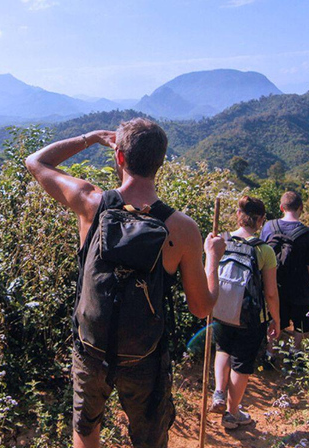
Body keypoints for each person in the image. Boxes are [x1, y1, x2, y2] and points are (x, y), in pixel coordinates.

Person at [25, 118, 225, 448]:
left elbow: (36, 162)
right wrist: (213, 257)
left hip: (91, 347)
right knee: (149, 439)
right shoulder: (182, 229)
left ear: (119, 157)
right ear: (160, 162)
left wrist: (91, 137)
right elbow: (202, 307)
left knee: (86, 430)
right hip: (144, 354)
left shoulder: (90, 203)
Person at [210, 196, 280, 429]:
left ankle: (219, 392)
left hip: (219, 309)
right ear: (260, 220)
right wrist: (275, 319)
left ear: (238, 215)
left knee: (223, 349)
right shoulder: (264, 250)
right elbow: (270, 292)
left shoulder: (221, 241)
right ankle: (232, 414)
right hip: (249, 317)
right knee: (241, 362)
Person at [260, 191, 309, 357]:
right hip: (300, 289)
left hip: (274, 285)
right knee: (301, 323)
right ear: (301, 208)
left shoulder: (268, 227)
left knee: (274, 319)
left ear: (281, 207)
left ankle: (270, 353)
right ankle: (296, 353)